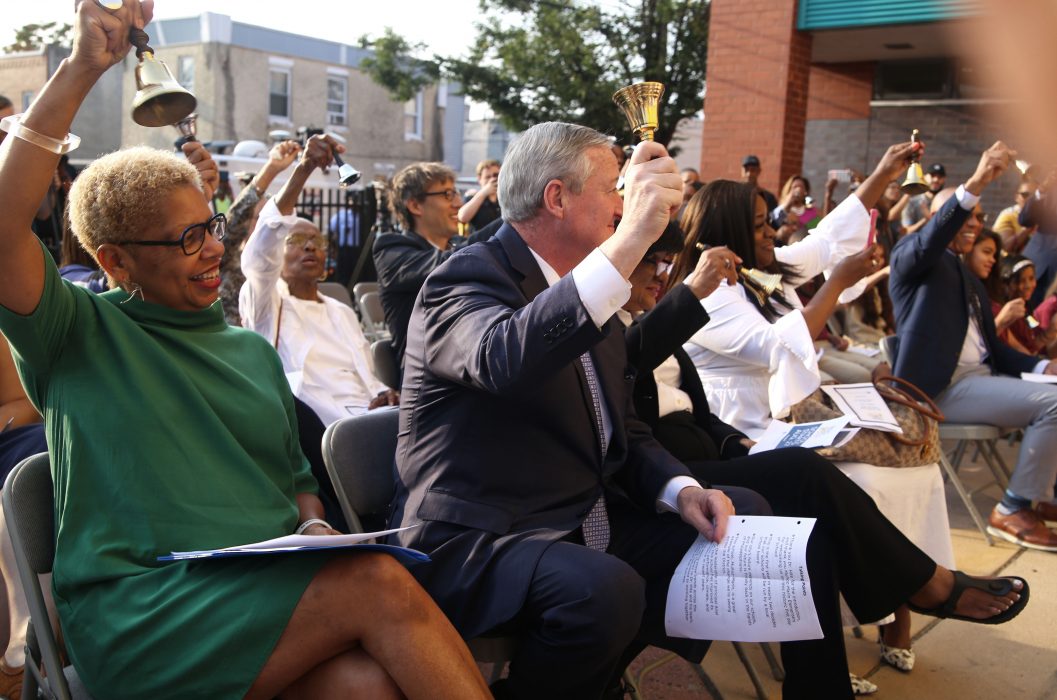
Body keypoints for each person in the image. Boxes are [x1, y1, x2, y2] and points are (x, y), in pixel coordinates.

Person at [389, 121, 1027, 700]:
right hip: (486, 535)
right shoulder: (461, 279)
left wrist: (680, 487)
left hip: (581, 514)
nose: (628, 202)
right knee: (605, 592)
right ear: (557, 199)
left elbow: (624, 427)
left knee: (764, 530)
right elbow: (505, 359)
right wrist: (635, 233)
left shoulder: (590, 285)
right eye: (617, 188)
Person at [0, 3, 492, 698]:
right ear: (113, 261)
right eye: (184, 240)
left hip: (265, 591)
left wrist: (316, 523)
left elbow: (293, 479)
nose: (212, 250)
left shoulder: (249, 351)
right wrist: (83, 68)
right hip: (144, 610)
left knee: (369, 688)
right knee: (381, 584)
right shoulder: (74, 332)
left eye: (209, 227)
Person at [622, 223, 1010, 692]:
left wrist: (738, 445)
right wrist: (692, 291)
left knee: (814, 531)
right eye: (652, 263)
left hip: (715, 450)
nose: (662, 274)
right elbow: (632, 372)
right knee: (806, 473)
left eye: (666, 263)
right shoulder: (620, 325)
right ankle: (926, 585)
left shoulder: (703, 301)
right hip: (665, 475)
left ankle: (823, 686)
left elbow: (697, 411)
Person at [674, 142, 961, 675]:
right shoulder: (710, 296)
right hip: (737, 429)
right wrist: (838, 283)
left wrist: (882, 172)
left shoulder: (765, 271)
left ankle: (904, 602)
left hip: (788, 421)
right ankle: (866, 611)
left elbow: (825, 239)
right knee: (863, 487)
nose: (772, 233)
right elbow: (776, 344)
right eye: (759, 225)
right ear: (732, 232)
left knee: (915, 468)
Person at [889, 141, 1057, 551]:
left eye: (980, 218)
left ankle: (1043, 496)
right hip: (938, 391)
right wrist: (977, 181)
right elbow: (931, 240)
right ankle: (1013, 507)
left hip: (980, 381)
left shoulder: (969, 280)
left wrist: (1043, 369)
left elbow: (995, 353)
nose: (974, 223)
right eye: (967, 214)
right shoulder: (913, 259)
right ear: (938, 218)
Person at [240, 132, 396, 426]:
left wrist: (385, 392)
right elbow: (259, 254)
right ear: (277, 252)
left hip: (370, 416)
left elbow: (367, 376)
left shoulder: (342, 311)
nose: (310, 246)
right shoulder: (266, 302)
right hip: (311, 426)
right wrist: (304, 168)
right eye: (296, 239)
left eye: (317, 241)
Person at [374, 162, 490, 369]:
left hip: (473, 366)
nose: (458, 202)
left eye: (456, 193)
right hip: (427, 382)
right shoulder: (391, 249)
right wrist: (516, 218)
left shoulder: (459, 246)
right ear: (415, 205)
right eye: (447, 195)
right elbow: (452, 263)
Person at [218, 140, 301, 325]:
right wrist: (272, 168)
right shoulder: (229, 259)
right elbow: (236, 218)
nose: (265, 227)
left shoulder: (280, 264)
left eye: (268, 222)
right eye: (258, 219)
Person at [994, 176, 1036, 254]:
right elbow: (1006, 247)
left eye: (1034, 196)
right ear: (1016, 197)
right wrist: (1028, 228)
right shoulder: (1008, 215)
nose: (1030, 199)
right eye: (1025, 195)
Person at [901, 162, 946, 235]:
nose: (936, 180)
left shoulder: (946, 202)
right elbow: (906, 231)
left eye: (939, 177)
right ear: (925, 177)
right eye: (932, 176)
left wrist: (928, 217)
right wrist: (923, 221)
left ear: (944, 179)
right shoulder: (913, 203)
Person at [458, 158, 502, 232]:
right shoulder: (472, 197)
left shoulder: (506, 200)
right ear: (479, 179)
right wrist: (484, 192)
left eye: (496, 175)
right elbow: (463, 217)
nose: (492, 180)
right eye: (487, 177)